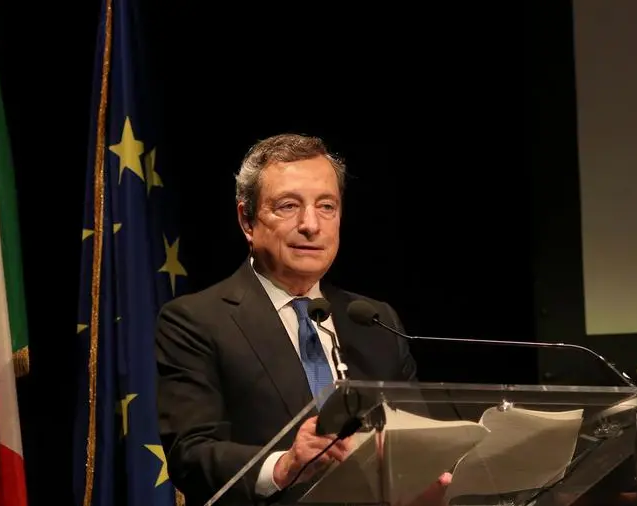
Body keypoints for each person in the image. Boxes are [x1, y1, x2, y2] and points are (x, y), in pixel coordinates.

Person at [154, 133, 440, 505]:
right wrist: (284, 465)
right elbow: (191, 454)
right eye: (289, 206)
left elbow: (419, 442)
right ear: (247, 220)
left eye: (326, 206)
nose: (311, 224)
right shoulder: (195, 321)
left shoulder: (375, 321)